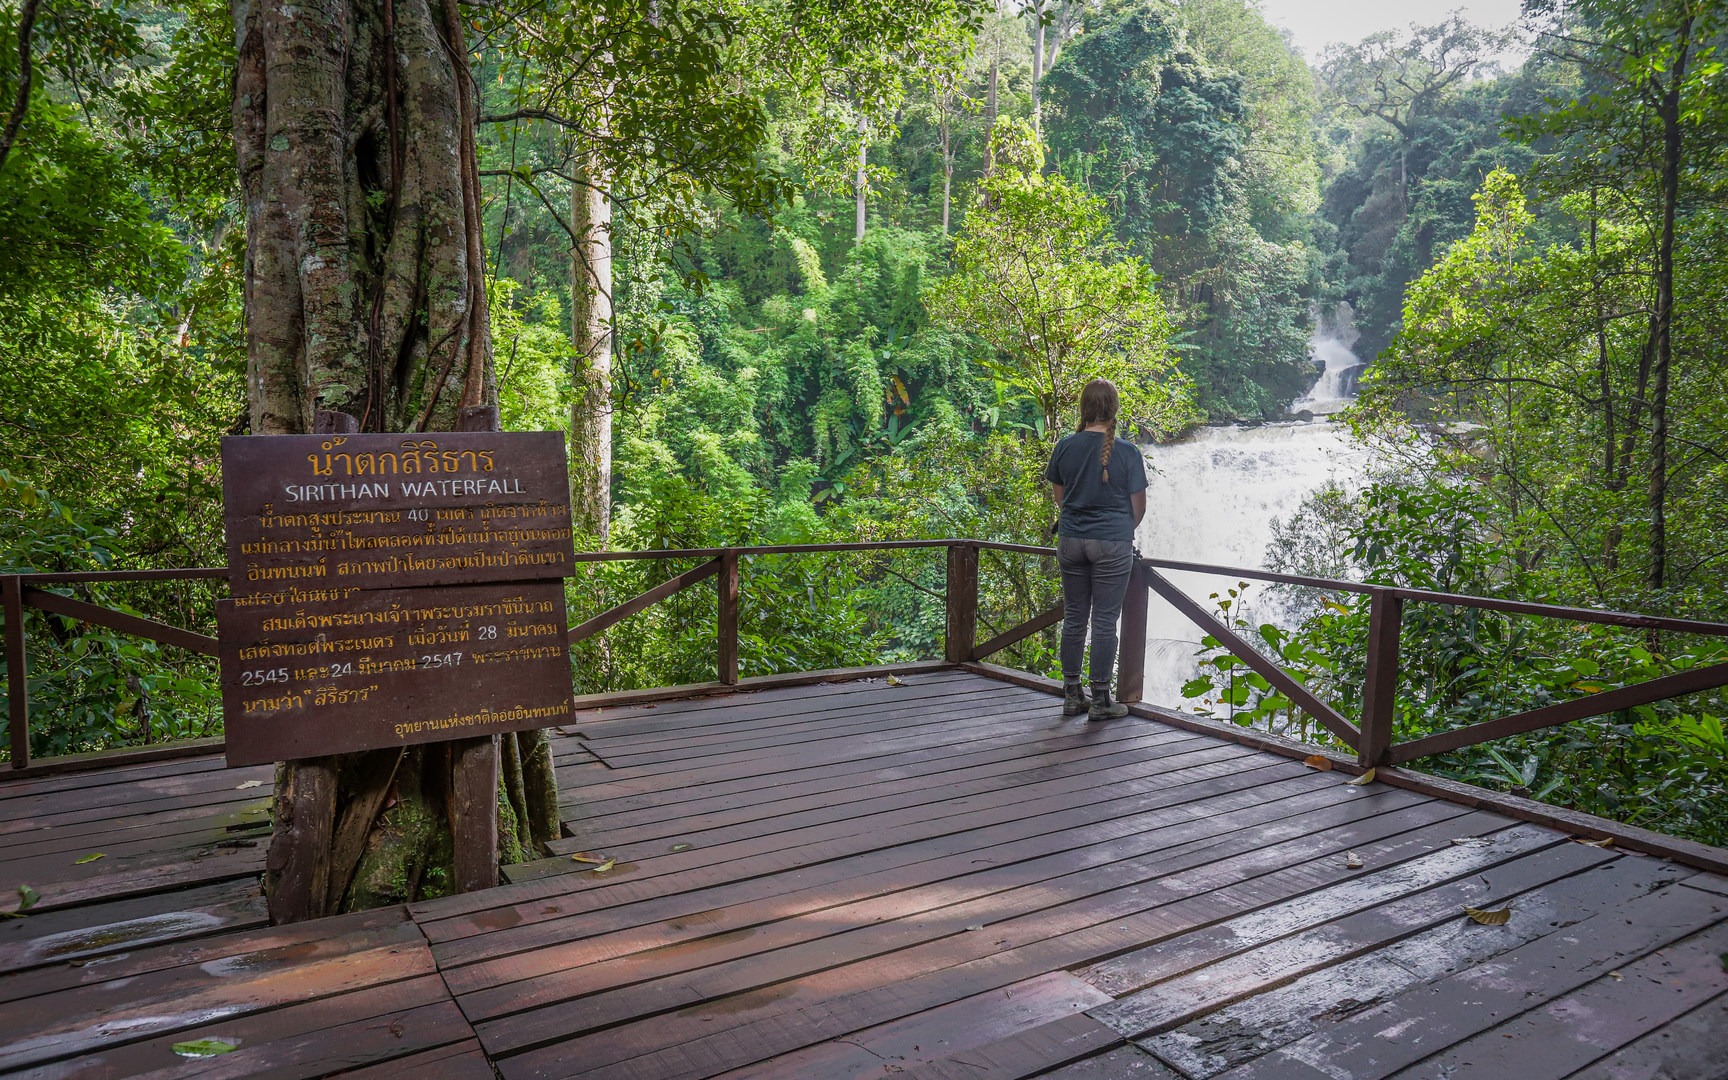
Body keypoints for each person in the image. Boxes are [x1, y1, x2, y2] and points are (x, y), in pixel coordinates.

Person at [1044, 378, 1147, 720]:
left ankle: (1073, 695)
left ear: (1083, 408)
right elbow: (1138, 508)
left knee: (1074, 617)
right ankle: (1102, 700)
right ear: (1113, 408)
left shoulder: (1065, 447)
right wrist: (1115, 533)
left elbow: (1061, 499)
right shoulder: (1128, 452)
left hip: (1071, 540)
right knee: (1104, 621)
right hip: (1112, 542)